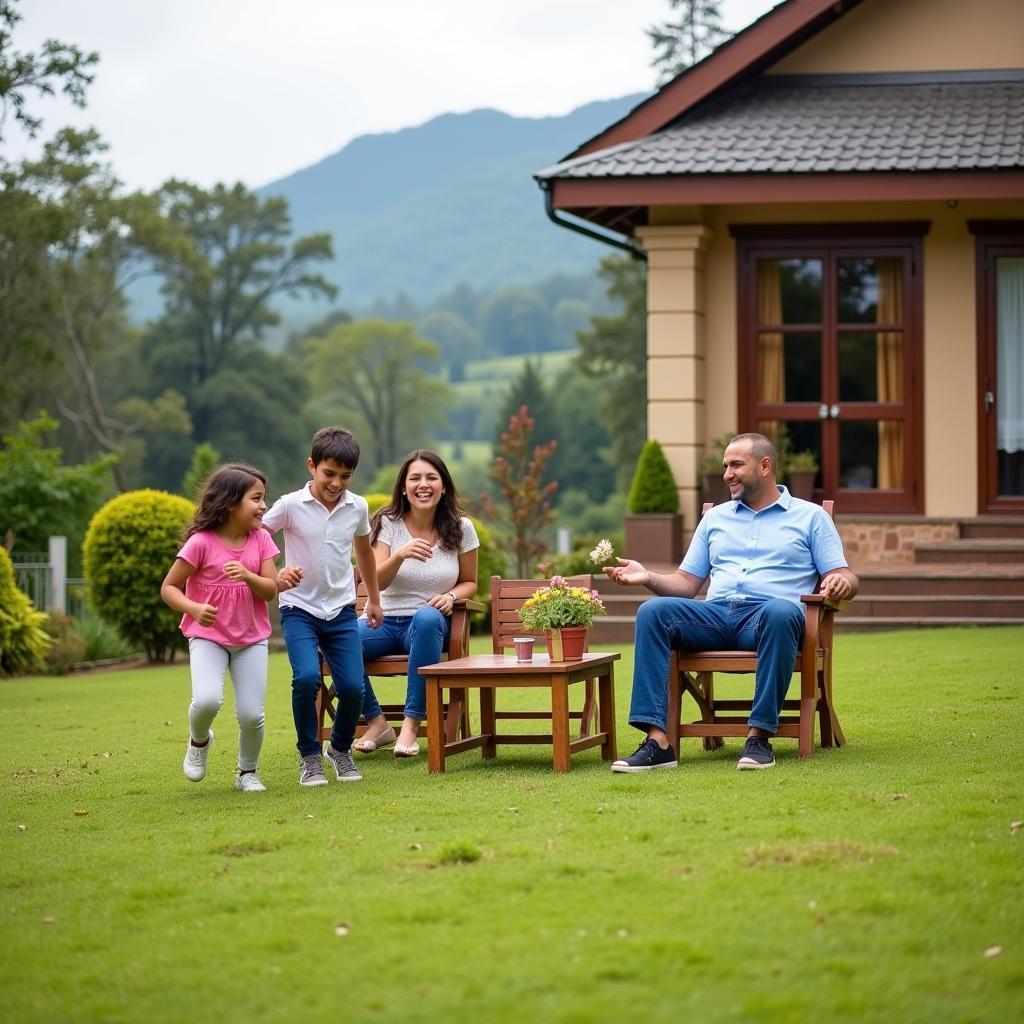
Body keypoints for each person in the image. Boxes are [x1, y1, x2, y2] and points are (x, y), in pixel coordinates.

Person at [605, 432, 858, 772]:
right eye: (725, 466)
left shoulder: (810, 517)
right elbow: (686, 584)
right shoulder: (715, 518)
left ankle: (759, 736)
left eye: (736, 464)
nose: (727, 474)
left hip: (769, 618)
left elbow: (846, 575)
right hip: (715, 614)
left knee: (781, 610)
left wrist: (841, 582)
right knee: (653, 611)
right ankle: (658, 742)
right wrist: (648, 577)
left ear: (765, 466)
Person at [262, 426, 382, 787]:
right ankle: (310, 756)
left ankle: (339, 750)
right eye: (329, 473)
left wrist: (373, 599)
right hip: (298, 610)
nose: (336, 483)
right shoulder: (289, 505)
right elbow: (256, 535)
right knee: (308, 679)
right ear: (311, 466)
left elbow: (363, 553)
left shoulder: (357, 506)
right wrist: (275, 571)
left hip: (342, 610)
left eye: (345, 476)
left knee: (352, 688)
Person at [160, 463, 282, 793]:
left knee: (250, 715)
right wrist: (194, 608)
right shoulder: (201, 543)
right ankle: (199, 741)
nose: (263, 506)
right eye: (256, 499)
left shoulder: (261, 540)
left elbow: (271, 589)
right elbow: (169, 588)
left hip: (251, 639)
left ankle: (247, 773)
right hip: (208, 638)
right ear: (230, 503)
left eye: (264, 498)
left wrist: (248, 576)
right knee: (207, 701)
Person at [353, 450, 479, 758]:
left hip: (428, 626)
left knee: (425, 616)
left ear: (444, 486)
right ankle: (377, 722)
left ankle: (410, 725)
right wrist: (399, 555)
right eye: (415, 478)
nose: (423, 485)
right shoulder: (386, 524)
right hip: (382, 622)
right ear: (403, 487)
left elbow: (470, 582)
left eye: (431, 478)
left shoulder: (461, 528)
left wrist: (451, 597)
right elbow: (375, 582)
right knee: (340, 637)